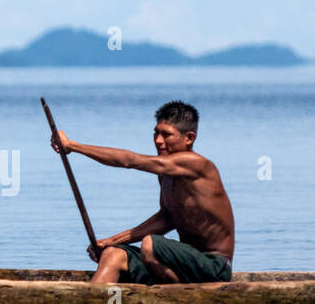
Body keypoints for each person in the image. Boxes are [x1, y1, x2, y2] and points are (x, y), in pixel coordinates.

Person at [50, 100, 235, 284]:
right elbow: (165, 220)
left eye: (166, 135)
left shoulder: (198, 165)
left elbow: (131, 160)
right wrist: (110, 241)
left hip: (214, 267)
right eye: (156, 133)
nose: (158, 141)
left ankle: (179, 295)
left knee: (150, 245)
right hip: (182, 265)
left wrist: (73, 146)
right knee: (113, 255)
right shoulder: (166, 176)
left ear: (189, 138)